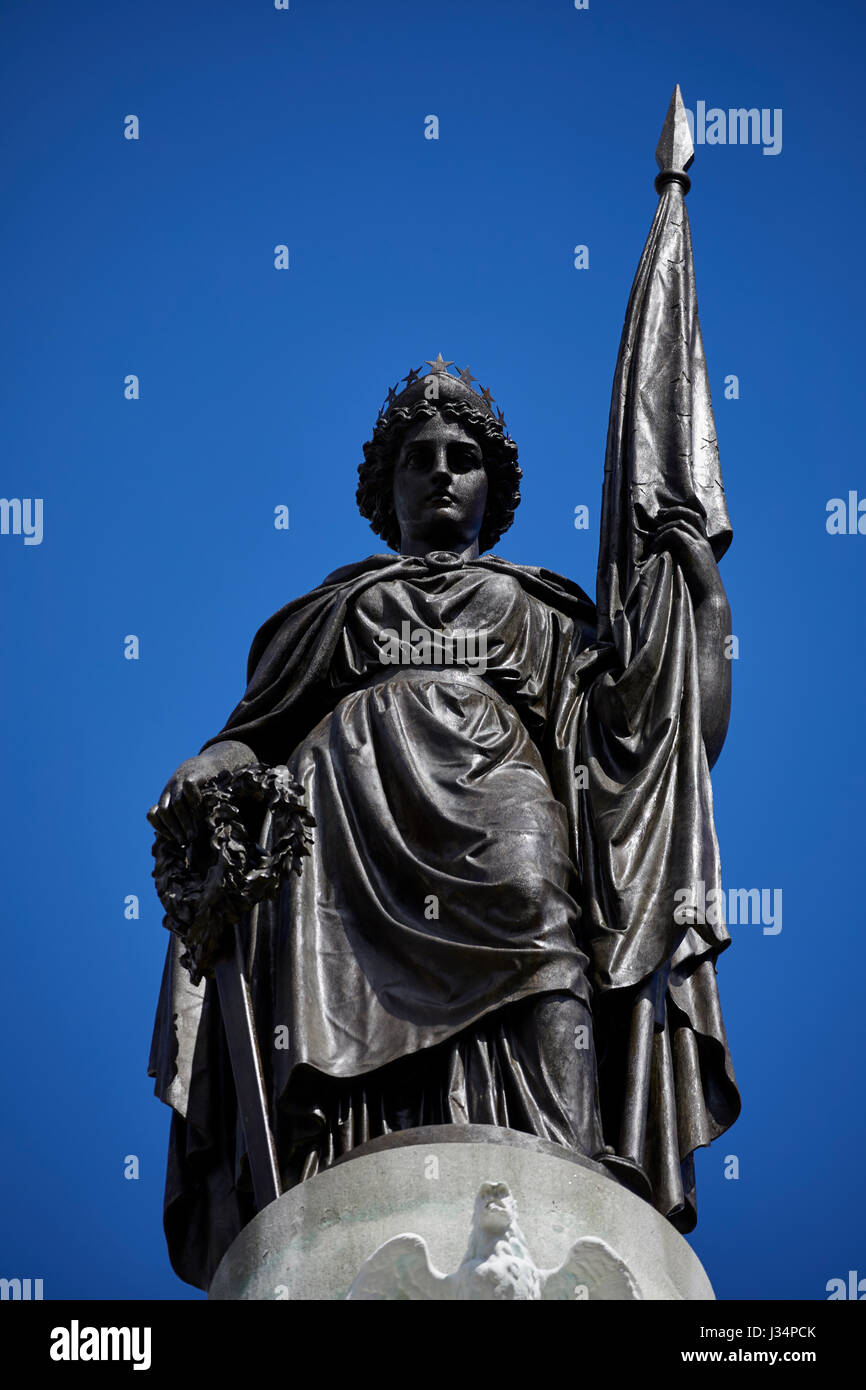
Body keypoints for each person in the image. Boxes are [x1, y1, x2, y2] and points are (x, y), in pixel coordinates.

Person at [149, 362, 739, 1290]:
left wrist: (695, 598)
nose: (440, 472)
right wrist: (204, 767)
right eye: (417, 458)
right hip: (342, 832)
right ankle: (326, 1169)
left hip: (500, 796)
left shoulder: (542, 611)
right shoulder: (334, 614)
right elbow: (251, 738)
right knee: (323, 1000)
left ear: (491, 487)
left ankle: (566, 1150)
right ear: (385, 489)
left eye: (462, 458)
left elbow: (646, 745)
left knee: (547, 941)